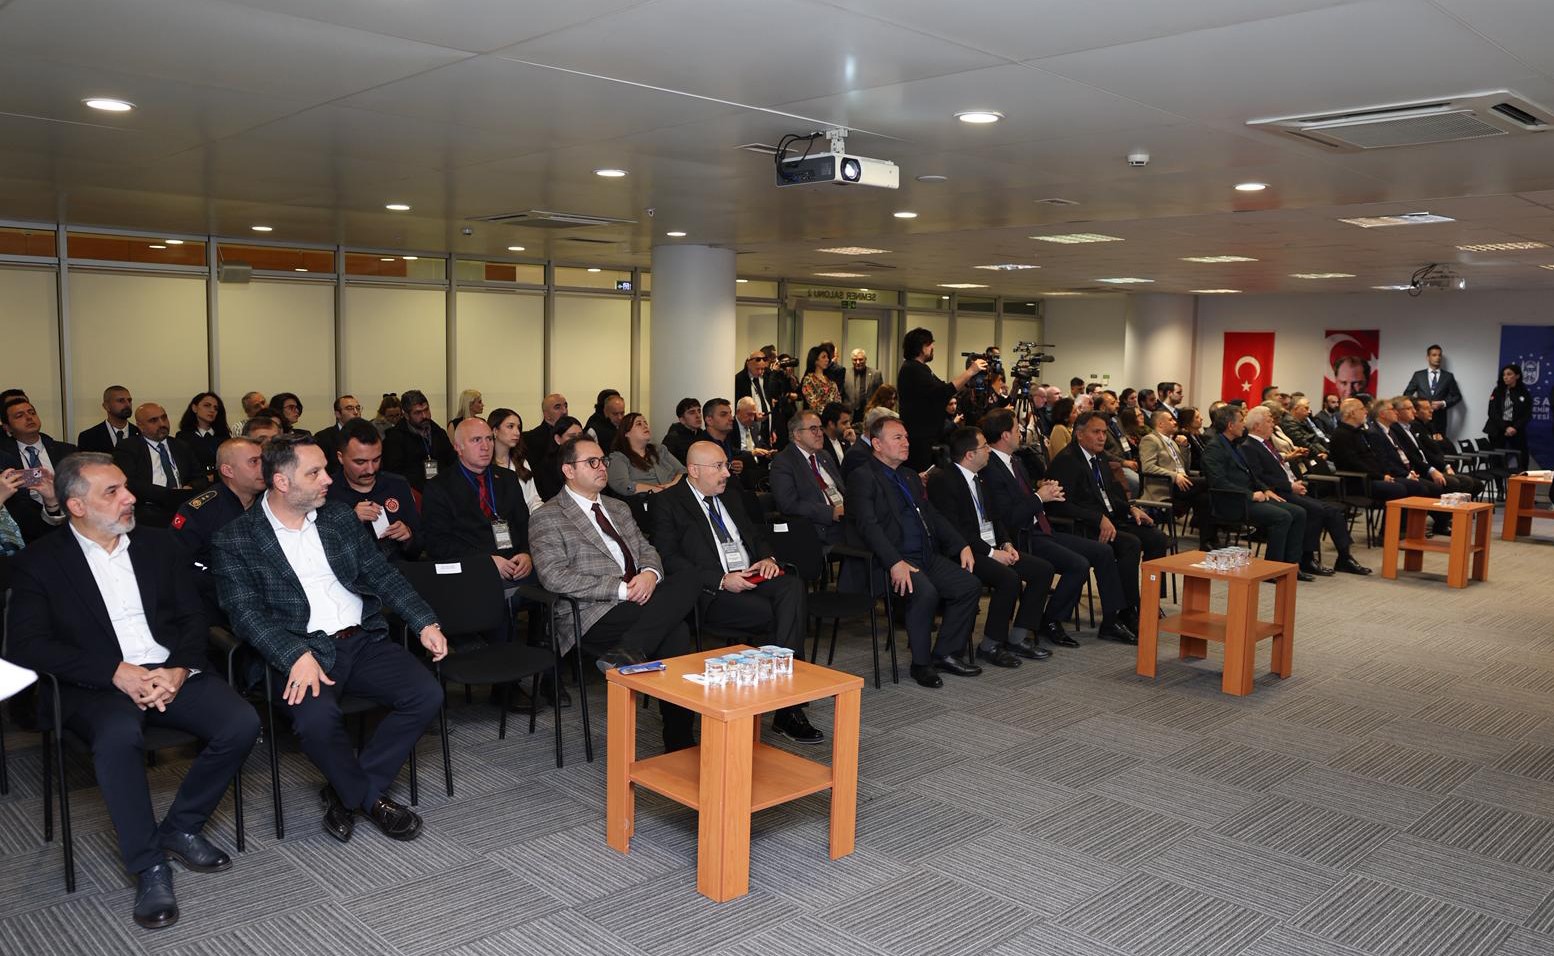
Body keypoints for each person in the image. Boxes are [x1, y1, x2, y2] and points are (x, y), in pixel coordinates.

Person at [6, 452, 258, 929]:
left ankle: (181, 827)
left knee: (241, 723)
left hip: (167, 669)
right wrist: (114, 671)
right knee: (119, 737)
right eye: (113, 492)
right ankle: (149, 865)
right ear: (76, 506)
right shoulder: (40, 562)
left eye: (126, 486)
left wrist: (180, 668)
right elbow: (27, 644)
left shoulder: (159, 545)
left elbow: (192, 617)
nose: (130, 498)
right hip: (96, 683)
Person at [210, 435, 447, 844]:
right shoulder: (235, 539)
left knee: (426, 694)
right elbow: (245, 614)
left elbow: (381, 574)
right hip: (301, 650)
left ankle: (346, 791)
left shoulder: (337, 518)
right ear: (282, 481)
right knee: (315, 721)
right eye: (315, 472)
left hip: (363, 639)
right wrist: (294, 654)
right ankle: (371, 799)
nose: (328, 479)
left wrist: (424, 622)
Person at [528, 436, 702, 752]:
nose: (602, 467)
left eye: (603, 460)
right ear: (568, 470)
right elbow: (554, 576)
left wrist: (649, 575)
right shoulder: (547, 516)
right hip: (590, 610)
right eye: (591, 462)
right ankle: (679, 740)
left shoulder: (618, 507)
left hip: (641, 600)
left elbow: (647, 549)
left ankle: (629, 650)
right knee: (676, 630)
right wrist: (622, 589)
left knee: (690, 578)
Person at [653, 441, 824, 743]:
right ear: (693, 470)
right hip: (710, 591)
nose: (726, 473)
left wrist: (768, 559)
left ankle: (785, 703)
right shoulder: (668, 502)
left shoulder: (731, 497)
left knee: (792, 587)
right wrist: (721, 579)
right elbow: (670, 558)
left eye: (726, 465)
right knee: (781, 616)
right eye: (718, 467)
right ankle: (788, 708)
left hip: (750, 576)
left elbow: (756, 536)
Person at [844, 416, 982, 688]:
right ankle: (921, 664)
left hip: (925, 555)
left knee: (969, 585)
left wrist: (961, 544)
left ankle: (945, 654)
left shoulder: (908, 475)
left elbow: (932, 515)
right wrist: (894, 562)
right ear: (877, 444)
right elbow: (868, 527)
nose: (906, 443)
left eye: (906, 437)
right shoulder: (863, 477)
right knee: (925, 592)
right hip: (889, 561)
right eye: (898, 438)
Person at [979, 409, 1119, 647]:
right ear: (1004, 435)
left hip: (1042, 529)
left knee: (1102, 551)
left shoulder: (1015, 461)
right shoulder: (990, 468)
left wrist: (1042, 489)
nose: (1020, 433)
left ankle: (1113, 619)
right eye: (1016, 429)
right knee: (1078, 564)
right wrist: (1039, 497)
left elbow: (1022, 496)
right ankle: (1051, 621)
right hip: (1022, 536)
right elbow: (1008, 517)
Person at [927, 427, 1054, 666]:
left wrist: (1006, 543)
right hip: (962, 551)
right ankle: (991, 644)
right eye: (984, 446)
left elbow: (996, 518)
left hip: (991, 546)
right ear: (969, 454)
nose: (989, 450)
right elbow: (955, 530)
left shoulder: (981, 477)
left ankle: (1017, 637)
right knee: (1008, 578)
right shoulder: (944, 480)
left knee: (1042, 570)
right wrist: (992, 553)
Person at [1046, 412, 1171, 633]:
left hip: (1110, 519)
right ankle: (1128, 609)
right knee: (1129, 544)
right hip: (1082, 525)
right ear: (1080, 434)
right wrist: (1098, 518)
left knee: (1156, 537)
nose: (1102, 437)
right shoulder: (1067, 461)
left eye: (1104, 432)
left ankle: (1150, 600)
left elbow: (1110, 497)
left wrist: (1130, 508)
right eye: (1096, 432)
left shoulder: (1100, 458)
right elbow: (1059, 505)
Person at [1239, 406, 1370, 576]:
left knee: (1333, 511)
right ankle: (1306, 558)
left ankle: (1344, 557)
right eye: (1269, 421)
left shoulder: (1266, 444)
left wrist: (1294, 482)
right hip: (1278, 492)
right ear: (1257, 426)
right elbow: (1259, 477)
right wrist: (1289, 486)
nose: (1273, 424)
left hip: (1289, 488)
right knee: (1316, 510)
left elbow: (1279, 469)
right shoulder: (1249, 446)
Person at [421, 417, 533, 585]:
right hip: (471, 571)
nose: (485, 447)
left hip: (515, 565)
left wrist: (526, 553)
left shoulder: (507, 478)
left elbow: (524, 524)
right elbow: (437, 543)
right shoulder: (439, 487)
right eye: (476, 440)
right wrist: (485, 562)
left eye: (489, 439)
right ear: (458, 447)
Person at [1200, 405, 1307, 573]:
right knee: (1282, 517)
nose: (1244, 424)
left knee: (1298, 512)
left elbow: (1251, 475)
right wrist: (1250, 495)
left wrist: (1265, 489)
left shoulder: (1235, 444)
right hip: (1233, 501)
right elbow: (1218, 482)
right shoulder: (1214, 448)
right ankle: (1272, 569)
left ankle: (1292, 566)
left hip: (1249, 497)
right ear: (1230, 425)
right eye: (1241, 420)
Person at [171, 437, 267, 623]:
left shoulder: (272, 502)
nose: (264, 467)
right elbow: (178, 565)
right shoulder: (199, 511)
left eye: (264, 460)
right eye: (254, 462)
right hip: (217, 603)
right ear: (228, 470)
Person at [324, 420, 421, 562]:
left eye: (376, 460)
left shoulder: (397, 485)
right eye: (360, 462)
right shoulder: (326, 492)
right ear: (341, 458)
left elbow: (421, 544)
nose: (370, 469)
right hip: (350, 573)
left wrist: (408, 536)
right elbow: (320, 552)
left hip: (397, 569)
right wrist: (349, 521)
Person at [897, 327, 987, 470]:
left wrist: (969, 380)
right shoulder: (912, 369)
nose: (933, 347)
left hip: (927, 436)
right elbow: (943, 392)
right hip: (920, 439)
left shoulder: (921, 368)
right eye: (929, 344)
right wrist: (970, 371)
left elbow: (945, 388)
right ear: (921, 347)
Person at [114, 403, 207, 529]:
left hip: (181, 506)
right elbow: (130, 483)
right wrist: (169, 495)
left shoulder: (181, 446)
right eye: (153, 420)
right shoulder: (129, 447)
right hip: (148, 509)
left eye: (164, 418)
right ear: (140, 426)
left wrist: (190, 487)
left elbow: (201, 478)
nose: (162, 424)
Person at [769, 410, 847, 546]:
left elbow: (842, 489)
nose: (820, 433)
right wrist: (831, 513)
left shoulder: (824, 455)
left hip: (846, 518)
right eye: (813, 429)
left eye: (820, 428)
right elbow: (788, 504)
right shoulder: (784, 462)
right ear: (797, 434)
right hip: (819, 528)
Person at [1, 395, 73, 541]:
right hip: (24, 535)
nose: (29, 417)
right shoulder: (3, 458)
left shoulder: (67, 451)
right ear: (7, 428)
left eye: (32, 412)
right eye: (19, 416)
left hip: (68, 526)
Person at [1138, 409, 1210, 548]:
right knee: (1210, 482)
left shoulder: (1172, 441)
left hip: (1182, 485)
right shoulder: (1150, 439)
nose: (1175, 422)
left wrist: (1185, 447)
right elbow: (1147, 467)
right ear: (1160, 424)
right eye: (1170, 420)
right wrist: (1174, 476)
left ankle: (1207, 543)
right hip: (1165, 487)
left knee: (1205, 499)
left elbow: (1185, 467)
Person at [1390, 397, 1477, 498]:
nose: (1413, 411)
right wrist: (1431, 470)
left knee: (1470, 483)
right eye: (1409, 408)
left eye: (1413, 408)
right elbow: (1411, 455)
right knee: (1454, 483)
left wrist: (1443, 466)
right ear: (1397, 412)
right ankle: (1447, 508)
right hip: (1418, 470)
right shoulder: (1396, 429)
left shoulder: (1411, 428)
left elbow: (1433, 449)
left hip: (1428, 467)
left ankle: (1455, 507)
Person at [381, 388, 456, 492]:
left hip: (442, 490)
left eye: (426, 410)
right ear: (406, 415)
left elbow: (452, 462)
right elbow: (394, 473)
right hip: (412, 493)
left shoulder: (439, 433)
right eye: (418, 413)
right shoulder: (394, 439)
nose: (424, 416)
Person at [608, 412, 684, 497]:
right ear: (626, 433)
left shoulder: (660, 450)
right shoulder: (618, 457)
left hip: (675, 494)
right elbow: (622, 484)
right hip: (647, 500)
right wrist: (659, 490)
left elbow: (682, 470)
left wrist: (672, 485)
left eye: (645, 423)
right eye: (639, 424)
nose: (645, 426)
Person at [488, 408, 542, 513]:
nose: (517, 432)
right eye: (510, 426)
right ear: (495, 431)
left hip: (522, 520)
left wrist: (543, 515)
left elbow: (532, 500)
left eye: (519, 427)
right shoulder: (483, 464)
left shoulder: (521, 462)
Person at [1486, 363, 1532, 465]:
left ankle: (1521, 474)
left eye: (1509, 374)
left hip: (1516, 429)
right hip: (1498, 428)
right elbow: (1492, 412)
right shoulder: (1498, 391)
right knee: (1497, 458)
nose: (1505, 377)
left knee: (1523, 456)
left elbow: (1527, 414)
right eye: (1504, 375)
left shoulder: (1523, 392)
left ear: (1517, 376)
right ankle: (1497, 475)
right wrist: (1505, 427)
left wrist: (1514, 428)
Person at [174, 392, 231, 473]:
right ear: (194, 408)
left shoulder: (224, 436)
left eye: (216, 408)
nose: (212, 410)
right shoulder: (183, 437)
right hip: (196, 479)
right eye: (207, 405)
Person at [534, 415, 584, 502]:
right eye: (572, 437)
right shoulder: (547, 466)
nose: (577, 440)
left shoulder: (589, 460)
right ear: (558, 439)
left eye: (580, 436)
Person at [78, 385, 141, 453]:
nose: (127, 404)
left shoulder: (141, 434)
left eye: (129, 400)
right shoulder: (88, 437)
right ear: (106, 406)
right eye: (121, 401)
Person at [1403, 344, 1463, 413]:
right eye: (1434, 355)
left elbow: (1457, 396)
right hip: (1421, 416)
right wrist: (1419, 404)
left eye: (1439, 355)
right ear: (1428, 357)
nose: (1438, 358)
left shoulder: (1448, 376)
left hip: (1440, 417)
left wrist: (1443, 403)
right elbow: (1406, 395)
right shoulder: (1418, 375)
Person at [522, 393, 570, 472]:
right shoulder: (531, 439)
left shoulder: (574, 433)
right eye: (557, 407)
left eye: (565, 406)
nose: (564, 411)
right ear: (546, 414)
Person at [734, 351, 782, 422]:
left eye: (762, 369)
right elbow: (737, 406)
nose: (760, 372)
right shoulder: (739, 379)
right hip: (749, 422)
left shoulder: (767, 375)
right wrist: (753, 416)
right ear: (748, 364)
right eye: (757, 369)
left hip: (768, 419)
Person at [312, 394, 362, 462]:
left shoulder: (368, 434)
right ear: (338, 414)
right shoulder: (323, 437)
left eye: (358, 408)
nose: (356, 412)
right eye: (349, 408)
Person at [842, 348, 883, 417]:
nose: (858, 362)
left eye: (860, 359)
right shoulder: (844, 373)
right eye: (855, 360)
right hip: (850, 414)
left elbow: (880, 394)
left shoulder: (875, 374)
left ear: (865, 359)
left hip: (869, 413)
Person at [801, 345, 844, 411]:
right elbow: (813, 404)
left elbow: (838, 400)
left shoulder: (830, 379)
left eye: (827, 357)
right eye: (823, 357)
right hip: (816, 416)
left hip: (834, 415)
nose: (827, 359)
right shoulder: (808, 380)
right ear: (815, 361)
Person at [661, 398, 702, 465]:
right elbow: (665, 465)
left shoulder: (703, 434)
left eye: (699, 411)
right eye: (692, 413)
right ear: (682, 420)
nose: (698, 416)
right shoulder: (672, 439)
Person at [819, 401, 852, 468]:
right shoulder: (820, 444)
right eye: (844, 423)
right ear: (831, 424)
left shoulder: (845, 439)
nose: (849, 426)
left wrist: (852, 442)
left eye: (849, 422)